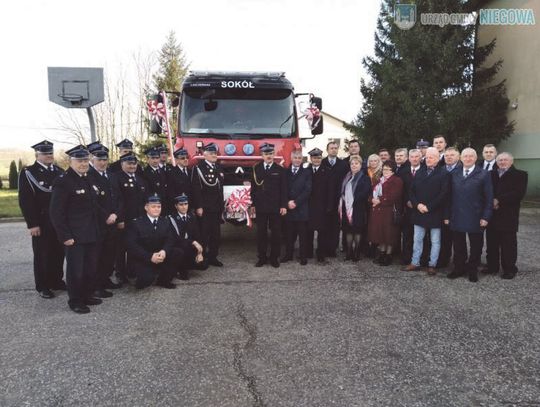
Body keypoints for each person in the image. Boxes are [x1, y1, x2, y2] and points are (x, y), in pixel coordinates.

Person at [50, 145, 102, 314]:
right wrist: (65, 235)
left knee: (90, 268)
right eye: (79, 161)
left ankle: (87, 295)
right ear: (70, 161)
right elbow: (56, 212)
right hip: (75, 236)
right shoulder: (63, 181)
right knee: (75, 271)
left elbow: (94, 207)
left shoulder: (87, 179)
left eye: (86, 160)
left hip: (91, 233)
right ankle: (75, 300)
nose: (83, 163)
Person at [18, 140, 65, 299]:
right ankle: (43, 285)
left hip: (58, 221)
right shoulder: (29, 172)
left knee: (59, 252)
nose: (49, 156)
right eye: (45, 153)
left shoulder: (59, 171)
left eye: (51, 153)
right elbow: (25, 200)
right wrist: (32, 224)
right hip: (42, 220)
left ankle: (56, 280)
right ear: (37, 155)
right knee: (43, 254)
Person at [446, 148, 493, 282]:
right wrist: (447, 215)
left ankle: (472, 270)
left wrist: (486, 217)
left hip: (476, 217)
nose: (468, 158)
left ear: (475, 158)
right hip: (457, 215)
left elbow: (489, 198)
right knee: (459, 245)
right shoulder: (454, 173)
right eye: (465, 156)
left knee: (476, 246)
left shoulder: (484, 174)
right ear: (461, 158)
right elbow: (448, 196)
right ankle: (458, 268)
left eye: (471, 156)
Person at [402, 147, 450, 275]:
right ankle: (415, 262)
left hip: (434, 212)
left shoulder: (444, 173)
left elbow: (444, 194)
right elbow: (411, 191)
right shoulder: (420, 171)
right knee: (417, 239)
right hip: (419, 212)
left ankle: (432, 264)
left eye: (432, 157)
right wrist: (417, 205)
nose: (428, 159)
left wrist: (429, 207)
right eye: (427, 157)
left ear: (438, 159)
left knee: (435, 241)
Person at [485, 153, 528, 279]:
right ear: (496, 162)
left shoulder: (520, 175)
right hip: (492, 214)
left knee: (508, 244)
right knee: (491, 243)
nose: (502, 162)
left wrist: (499, 200)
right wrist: (491, 200)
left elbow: (518, 193)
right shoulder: (491, 174)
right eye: (500, 160)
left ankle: (509, 269)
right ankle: (492, 266)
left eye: (505, 160)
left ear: (511, 161)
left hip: (508, 215)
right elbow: (486, 190)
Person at [87, 143, 121, 295]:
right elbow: (92, 202)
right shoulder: (88, 176)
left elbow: (120, 198)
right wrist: (106, 216)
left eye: (105, 160)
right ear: (92, 160)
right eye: (99, 160)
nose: (102, 163)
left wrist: (116, 214)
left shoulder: (112, 176)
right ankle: (95, 286)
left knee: (109, 254)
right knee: (97, 256)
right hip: (98, 223)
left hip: (113, 222)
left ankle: (106, 279)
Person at [110, 152, 149, 283]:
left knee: (135, 245)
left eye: (134, 163)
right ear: (122, 164)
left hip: (138, 220)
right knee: (121, 248)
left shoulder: (140, 179)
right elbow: (117, 200)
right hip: (124, 220)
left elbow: (145, 201)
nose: (132, 166)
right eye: (129, 163)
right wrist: (120, 219)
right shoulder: (116, 178)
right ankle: (120, 273)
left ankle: (131, 270)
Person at [125, 194, 177, 289]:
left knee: (177, 252)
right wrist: (149, 257)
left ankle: (163, 280)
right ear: (146, 207)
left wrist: (164, 251)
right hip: (144, 258)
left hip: (160, 255)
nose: (157, 209)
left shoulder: (165, 221)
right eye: (153, 206)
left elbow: (170, 239)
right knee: (145, 281)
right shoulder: (136, 223)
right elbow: (132, 245)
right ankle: (144, 275)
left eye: (159, 207)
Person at [250, 143, 287, 268]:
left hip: (275, 207)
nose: (269, 156)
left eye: (271, 154)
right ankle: (262, 258)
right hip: (261, 207)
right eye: (266, 154)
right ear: (262, 155)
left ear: (274, 154)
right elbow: (253, 189)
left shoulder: (280, 169)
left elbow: (283, 190)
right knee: (261, 233)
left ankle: (274, 258)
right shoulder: (256, 168)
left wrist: (283, 206)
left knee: (276, 234)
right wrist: (253, 204)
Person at [191, 143, 225, 267]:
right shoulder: (198, 168)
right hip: (204, 208)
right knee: (204, 234)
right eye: (211, 153)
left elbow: (220, 189)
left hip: (216, 207)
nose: (214, 155)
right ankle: (202, 256)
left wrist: (222, 207)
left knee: (216, 235)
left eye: (215, 153)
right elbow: (196, 189)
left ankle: (213, 257)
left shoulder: (219, 168)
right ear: (204, 155)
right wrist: (198, 206)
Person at [368, 160, 403, 266]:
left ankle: (388, 255)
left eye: (388, 169)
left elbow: (394, 196)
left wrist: (380, 200)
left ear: (393, 171)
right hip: (378, 212)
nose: (386, 171)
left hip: (389, 211)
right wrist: (371, 199)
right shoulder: (379, 180)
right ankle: (382, 253)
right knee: (380, 234)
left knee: (389, 234)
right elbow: (371, 193)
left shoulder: (397, 181)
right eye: (384, 169)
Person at [282, 150, 312, 265]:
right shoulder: (285, 172)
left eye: (299, 158)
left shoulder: (306, 173)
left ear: (302, 159)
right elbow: (282, 189)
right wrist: (287, 202)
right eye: (295, 157)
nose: (297, 159)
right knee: (288, 235)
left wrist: (296, 202)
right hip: (289, 208)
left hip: (301, 208)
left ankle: (303, 256)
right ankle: (288, 255)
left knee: (302, 235)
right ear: (291, 158)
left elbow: (308, 190)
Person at [339, 156, 371, 261]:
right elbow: (342, 190)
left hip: (358, 208)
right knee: (348, 231)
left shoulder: (364, 178)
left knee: (357, 231)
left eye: (356, 163)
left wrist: (352, 200)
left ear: (361, 165)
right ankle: (349, 252)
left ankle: (357, 252)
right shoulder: (346, 176)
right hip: (346, 207)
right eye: (352, 164)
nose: (354, 165)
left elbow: (365, 192)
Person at [168, 194, 207, 280]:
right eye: (181, 205)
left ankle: (187, 264)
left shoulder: (191, 217)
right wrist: (192, 242)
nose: (184, 207)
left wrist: (200, 253)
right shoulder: (171, 219)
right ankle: (179, 269)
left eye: (186, 204)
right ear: (176, 206)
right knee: (181, 251)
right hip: (179, 247)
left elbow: (197, 236)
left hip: (189, 246)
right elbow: (176, 239)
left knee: (203, 265)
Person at [322, 141, 349, 257]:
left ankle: (333, 249)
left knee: (335, 226)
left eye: (335, 148)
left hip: (338, 200)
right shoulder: (322, 163)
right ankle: (324, 248)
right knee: (325, 226)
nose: (333, 150)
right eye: (331, 148)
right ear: (327, 150)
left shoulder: (343, 164)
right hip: (324, 200)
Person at [437, 147, 462, 268]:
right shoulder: (440, 170)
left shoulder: (463, 170)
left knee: (458, 240)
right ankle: (443, 260)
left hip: (458, 210)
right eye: (446, 155)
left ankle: (459, 264)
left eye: (452, 155)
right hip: (441, 209)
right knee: (444, 237)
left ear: (458, 157)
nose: (449, 157)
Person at [308, 148, 334, 263]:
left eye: (318, 157)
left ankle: (321, 255)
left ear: (321, 158)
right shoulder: (306, 170)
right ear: (311, 159)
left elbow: (331, 191)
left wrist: (329, 206)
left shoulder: (327, 171)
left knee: (322, 233)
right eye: (314, 158)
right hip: (308, 207)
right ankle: (308, 253)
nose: (316, 160)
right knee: (308, 232)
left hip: (322, 208)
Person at [398, 149, 422, 265]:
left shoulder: (425, 171)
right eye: (412, 157)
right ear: (409, 158)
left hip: (420, 208)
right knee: (407, 234)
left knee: (421, 236)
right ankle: (406, 257)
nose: (414, 159)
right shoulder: (404, 172)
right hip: (407, 208)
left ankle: (421, 258)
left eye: (417, 157)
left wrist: (417, 203)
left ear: (421, 158)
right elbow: (401, 190)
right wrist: (406, 200)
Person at [166, 148, 193, 214]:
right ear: (176, 160)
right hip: (178, 207)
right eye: (182, 158)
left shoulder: (191, 171)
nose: (186, 159)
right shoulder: (171, 173)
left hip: (191, 207)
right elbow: (171, 192)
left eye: (187, 157)